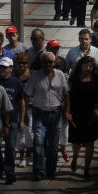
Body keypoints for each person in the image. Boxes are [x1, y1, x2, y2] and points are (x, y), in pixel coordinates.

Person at [26, 52, 71, 181]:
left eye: (50, 62)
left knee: (53, 144)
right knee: (38, 142)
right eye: (45, 62)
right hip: (39, 113)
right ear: (41, 63)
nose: (48, 65)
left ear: (54, 63)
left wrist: (67, 111)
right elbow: (27, 95)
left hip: (56, 113)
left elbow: (67, 94)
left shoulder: (61, 75)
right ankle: (39, 170)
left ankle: (51, 170)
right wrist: (24, 114)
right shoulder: (35, 76)